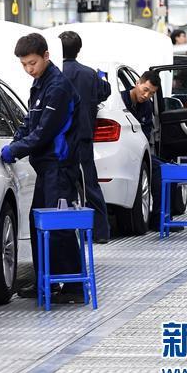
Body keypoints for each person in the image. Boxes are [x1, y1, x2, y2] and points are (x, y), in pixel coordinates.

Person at [1, 33, 84, 304]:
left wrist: (16, 149)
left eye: (32, 63)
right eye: (24, 64)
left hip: (60, 168)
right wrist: (16, 138)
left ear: (46, 56)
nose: (28, 69)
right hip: (46, 169)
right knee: (40, 226)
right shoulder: (40, 84)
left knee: (59, 227)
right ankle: (45, 282)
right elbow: (30, 121)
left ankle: (73, 287)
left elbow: (45, 131)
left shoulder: (58, 87)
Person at [58, 30, 112, 243]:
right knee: (90, 184)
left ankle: (66, 232)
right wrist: (102, 77)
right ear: (79, 50)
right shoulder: (89, 74)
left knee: (63, 185)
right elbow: (104, 92)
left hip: (59, 140)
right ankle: (100, 233)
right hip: (83, 137)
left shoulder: (55, 72)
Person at [120, 70, 170, 228]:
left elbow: (146, 135)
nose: (147, 95)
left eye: (152, 93)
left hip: (139, 153)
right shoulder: (120, 101)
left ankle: (160, 219)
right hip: (120, 150)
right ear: (137, 83)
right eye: (145, 90)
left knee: (165, 169)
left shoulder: (147, 107)